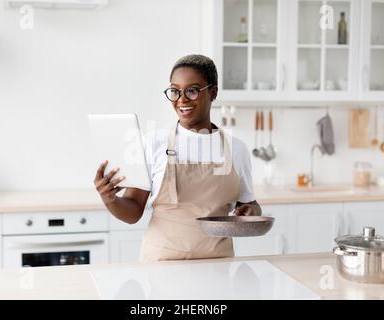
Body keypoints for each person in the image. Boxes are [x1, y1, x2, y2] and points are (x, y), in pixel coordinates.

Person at [94, 54, 261, 262]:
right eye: (174, 91)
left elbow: (250, 203)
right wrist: (109, 199)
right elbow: (133, 210)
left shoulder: (236, 149)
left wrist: (250, 211)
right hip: (162, 264)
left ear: (213, 92)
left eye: (192, 91)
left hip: (218, 265)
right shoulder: (153, 143)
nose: (181, 100)